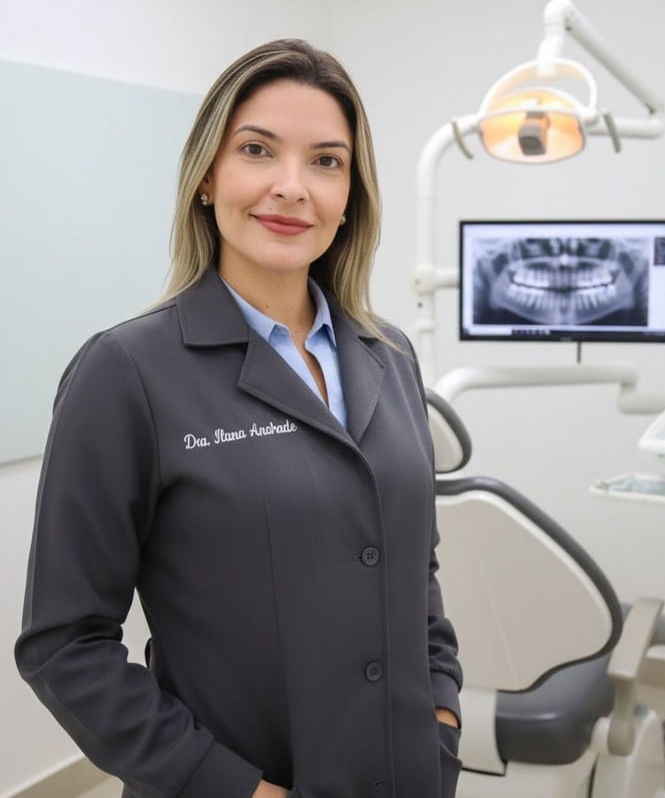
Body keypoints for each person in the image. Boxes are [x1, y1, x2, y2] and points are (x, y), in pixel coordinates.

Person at [15, 39, 462, 798]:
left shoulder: (390, 355)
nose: (292, 187)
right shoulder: (126, 372)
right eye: (257, 150)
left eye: (326, 161)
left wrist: (443, 713)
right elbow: (65, 644)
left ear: (351, 194)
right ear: (205, 178)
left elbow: (412, 563)